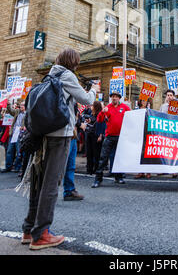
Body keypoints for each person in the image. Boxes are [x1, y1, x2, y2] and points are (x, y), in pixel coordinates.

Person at [21, 48, 99, 250]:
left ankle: (29, 230)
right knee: (50, 183)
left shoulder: (51, 74)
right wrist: (94, 90)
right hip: (60, 135)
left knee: (38, 181)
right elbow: (87, 100)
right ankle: (42, 234)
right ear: (73, 62)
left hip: (44, 134)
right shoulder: (68, 75)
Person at [92, 92, 131, 187]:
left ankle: (118, 177)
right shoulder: (107, 107)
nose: (114, 98)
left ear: (119, 98)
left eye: (116, 97)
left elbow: (131, 117)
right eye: (113, 97)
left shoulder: (125, 107)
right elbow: (99, 120)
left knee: (119, 158)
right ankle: (98, 179)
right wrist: (102, 112)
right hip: (109, 136)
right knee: (103, 158)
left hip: (120, 136)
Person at [1, 100, 26, 173]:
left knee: (19, 151)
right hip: (13, 133)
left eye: (23, 105)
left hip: (20, 134)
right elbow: (11, 110)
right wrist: (8, 103)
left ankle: (17, 167)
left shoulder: (27, 114)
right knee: (9, 151)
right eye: (21, 105)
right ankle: (8, 167)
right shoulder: (17, 112)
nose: (21, 106)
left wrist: (24, 127)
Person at [81, 101, 103, 175]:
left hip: (96, 135)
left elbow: (102, 125)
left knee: (96, 153)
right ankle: (89, 169)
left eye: (92, 106)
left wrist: (100, 135)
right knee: (89, 152)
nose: (91, 107)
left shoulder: (100, 115)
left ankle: (96, 169)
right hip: (89, 134)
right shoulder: (91, 114)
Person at [135, 99, 152, 179]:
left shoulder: (149, 111)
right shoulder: (137, 110)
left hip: (147, 132)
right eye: (143, 101)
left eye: (145, 101)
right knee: (140, 153)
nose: (144, 102)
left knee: (147, 152)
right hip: (139, 133)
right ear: (140, 102)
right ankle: (140, 171)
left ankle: (148, 171)